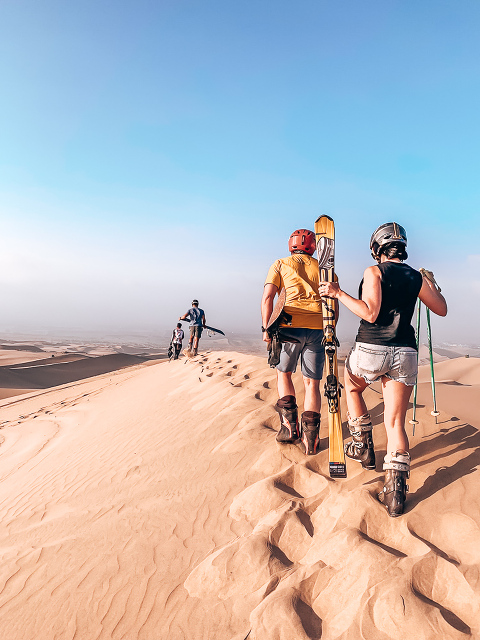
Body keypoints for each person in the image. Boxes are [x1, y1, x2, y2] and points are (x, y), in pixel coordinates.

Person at [319, 222, 447, 517]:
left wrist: (338, 294)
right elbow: (441, 308)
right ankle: (395, 495)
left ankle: (363, 446)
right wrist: (428, 283)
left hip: (371, 349)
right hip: (405, 352)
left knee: (351, 386)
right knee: (395, 423)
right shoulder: (416, 276)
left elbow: (370, 313)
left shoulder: (373, 271)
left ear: (377, 249)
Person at [261, 229, 326, 455]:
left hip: (288, 327)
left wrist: (267, 328)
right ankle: (311, 440)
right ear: (313, 247)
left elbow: (268, 297)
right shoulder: (325, 269)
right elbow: (332, 303)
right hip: (318, 329)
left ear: (291, 244)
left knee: (283, 374)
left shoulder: (280, 263)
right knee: (312, 384)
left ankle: (289, 430)